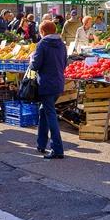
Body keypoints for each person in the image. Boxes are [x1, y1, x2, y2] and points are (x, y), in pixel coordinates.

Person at [31, 20, 67, 159]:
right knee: (44, 111)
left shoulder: (42, 44)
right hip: (58, 83)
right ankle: (41, 144)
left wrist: (31, 59)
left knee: (50, 114)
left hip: (46, 84)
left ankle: (57, 149)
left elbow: (35, 65)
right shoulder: (62, 44)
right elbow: (64, 63)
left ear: (43, 32)